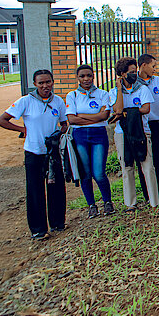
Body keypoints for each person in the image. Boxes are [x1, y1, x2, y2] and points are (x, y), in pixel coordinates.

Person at [0, 70, 68, 240]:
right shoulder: (25, 101)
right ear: (35, 84)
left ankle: (58, 223)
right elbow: (1, 120)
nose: (45, 86)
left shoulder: (58, 101)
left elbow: (64, 123)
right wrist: (23, 130)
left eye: (48, 82)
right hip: (33, 152)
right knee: (35, 190)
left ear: (53, 82)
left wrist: (58, 134)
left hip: (52, 153)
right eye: (41, 83)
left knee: (56, 188)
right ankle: (38, 229)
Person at [109, 58, 159, 209]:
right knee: (127, 167)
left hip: (142, 131)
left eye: (134, 71)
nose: (134, 75)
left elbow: (146, 109)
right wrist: (120, 89)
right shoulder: (114, 92)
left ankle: (154, 202)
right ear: (122, 74)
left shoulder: (142, 89)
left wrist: (126, 113)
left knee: (148, 166)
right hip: (122, 133)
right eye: (130, 72)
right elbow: (117, 110)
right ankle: (130, 203)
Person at [65, 65, 114, 218]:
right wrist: (95, 117)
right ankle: (91, 205)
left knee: (99, 173)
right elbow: (71, 119)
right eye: (82, 76)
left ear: (93, 76)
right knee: (85, 173)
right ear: (77, 78)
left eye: (89, 75)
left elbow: (104, 116)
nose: (86, 79)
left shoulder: (102, 94)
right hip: (80, 136)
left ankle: (107, 202)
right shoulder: (72, 95)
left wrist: (81, 116)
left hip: (99, 134)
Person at [137, 54, 159, 202]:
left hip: (156, 123)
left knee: (158, 159)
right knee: (144, 159)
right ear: (143, 65)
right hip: (142, 125)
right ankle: (147, 194)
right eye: (152, 66)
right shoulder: (135, 83)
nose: (155, 69)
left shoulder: (157, 81)